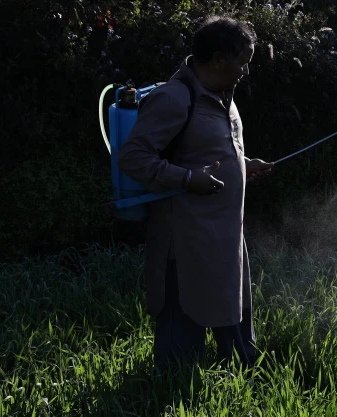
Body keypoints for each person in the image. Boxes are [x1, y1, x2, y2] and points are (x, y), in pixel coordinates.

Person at [117, 15, 274, 370]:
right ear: (218, 60)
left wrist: (243, 163)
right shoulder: (174, 97)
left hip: (225, 233)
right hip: (184, 239)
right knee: (181, 325)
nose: (246, 71)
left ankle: (239, 370)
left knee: (233, 306)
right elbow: (133, 157)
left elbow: (207, 148)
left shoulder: (223, 95)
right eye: (243, 62)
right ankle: (174, 386)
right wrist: (188, 179)